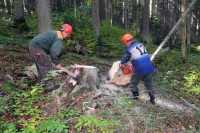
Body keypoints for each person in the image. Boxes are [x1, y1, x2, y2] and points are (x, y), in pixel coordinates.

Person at [28, 24, 73, 91]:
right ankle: (48, 87)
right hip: (37, 48)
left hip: (33, 46)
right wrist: (56, 63)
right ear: (65, 32)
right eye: (67, 35)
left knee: (41, 66)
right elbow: (54, 52)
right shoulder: (59, 38)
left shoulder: (55, 33)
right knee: (46, 65)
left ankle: (42, 85)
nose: (66, 37)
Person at [120, 34, 156, 105]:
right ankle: (152, 99)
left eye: (125, 43)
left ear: (128, 41)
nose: (126, 45)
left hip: (140, 68)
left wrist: (121, 63)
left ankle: (135, 96)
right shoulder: (140, 44)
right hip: (149, 66)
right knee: (149, 83)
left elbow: (125, 59)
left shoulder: (129, 49)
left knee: (133, 83)